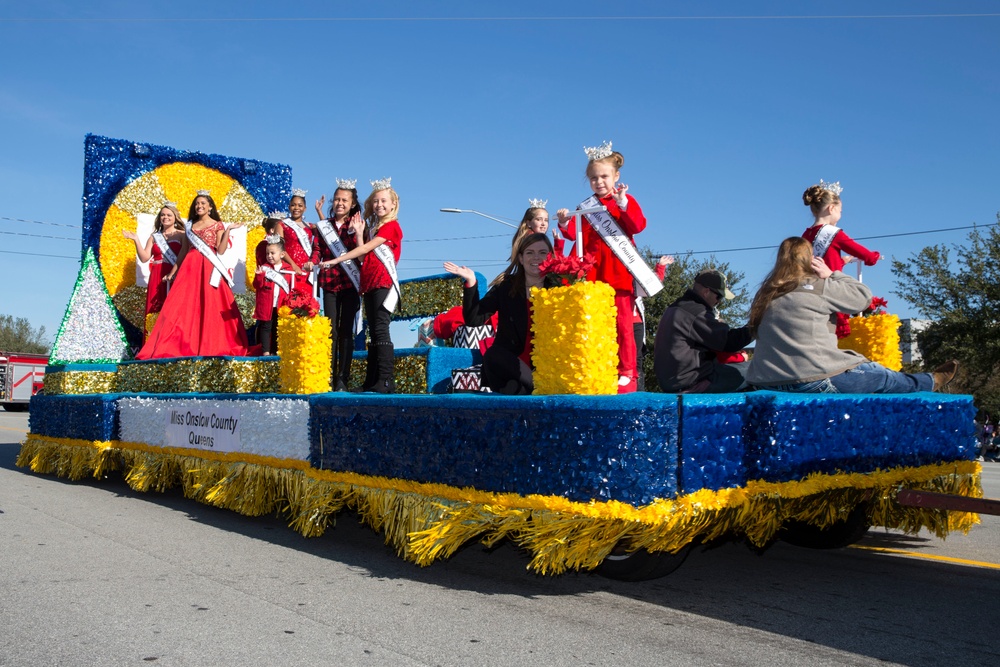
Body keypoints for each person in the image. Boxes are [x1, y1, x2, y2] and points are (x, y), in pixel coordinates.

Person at [746, 237, 957, 393]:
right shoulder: (818, 286)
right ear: (809, 260)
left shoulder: (765, 294)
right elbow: (863, 298)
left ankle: (926, 380)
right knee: (880, 374)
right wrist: (832, 274)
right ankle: (929, 381)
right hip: (811, 379)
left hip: (766, 381)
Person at [557, 141, 648, 393]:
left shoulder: (624, 200)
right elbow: (576, 237)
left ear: (616, 176)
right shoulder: (585, 207)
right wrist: (565, 223)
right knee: (595, 323)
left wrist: (623, 204)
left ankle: (627, 372)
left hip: (618, 271)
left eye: (604, 176)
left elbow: (638, 226)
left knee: (622, 323)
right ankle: (601, 367)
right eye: (593, 178)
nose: (599, 182)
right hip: (593, 273)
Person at [136, 191, 255, 359]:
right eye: (197, 204)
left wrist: (227, 229)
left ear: (210, 207)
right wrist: (172, 272)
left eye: (203, 204)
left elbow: (220, 250)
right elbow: (184, 251)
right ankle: (181, 344)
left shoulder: (217, 225)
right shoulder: (189, 225)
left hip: (208, 267)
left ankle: (211, 344)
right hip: (189, 268)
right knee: (182, 307)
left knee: (211, 305)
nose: (199, 206)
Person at [443, 232, 553, 395]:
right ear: (521, 259)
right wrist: (471, 282)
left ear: (551, 257)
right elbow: (474, 319)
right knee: (493, 354)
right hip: (511, 368)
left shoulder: (560, 288)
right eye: (530, 253)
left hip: (546, 366)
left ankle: (535, 387)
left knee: (517, 391)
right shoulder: (506, 286)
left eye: (542, 253)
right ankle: (537, 386)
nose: (536, 257)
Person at [320, 178, 402, 393]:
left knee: (381, 330)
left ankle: (386, 380)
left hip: (384, 282)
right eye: (376, 201)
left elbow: (364, 251)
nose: (379, 205)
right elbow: (364, 258)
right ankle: (372, 381)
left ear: (393, 204)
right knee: (373, 332)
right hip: (370, 282)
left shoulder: (392, 226)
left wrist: (336, 260)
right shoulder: (375, 228)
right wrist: (358, 234)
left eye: (384, 201)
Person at [802, 180, 882, 339]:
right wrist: (875, 256)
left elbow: (817, 262)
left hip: (809, 294)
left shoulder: (805, 235)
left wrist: (841, 262)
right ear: (831, 208)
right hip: (829, 292)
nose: (840, 215)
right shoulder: (834, 234)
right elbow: (866, 256)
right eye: (841, 211)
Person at [652, 270, 753, 393]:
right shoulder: (696, 312)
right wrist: (756, 325)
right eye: (719, 296)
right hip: (692, 383)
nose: (719, 302)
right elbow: (729, 342)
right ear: (706, 292)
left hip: (674, 382)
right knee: (757, 369)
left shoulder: (677, 307)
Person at [313, 180, 364, 391]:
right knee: (330, 330)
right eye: (337, 199)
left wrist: (357, 233)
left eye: (344, 200)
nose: (339, 203)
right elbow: (317, 249)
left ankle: (343, 378)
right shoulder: (324, 226)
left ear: (352, 204)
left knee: (345, 331)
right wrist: (313, 260)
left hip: (350, 284)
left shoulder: (358, 224)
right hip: (330, 283)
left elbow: (362, 253)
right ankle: (329, 377)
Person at [122, 202, 185, 338]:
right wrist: (136, 239)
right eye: (163, 215)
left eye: (169, 215)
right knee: (155, 310)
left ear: (175, 217)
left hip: (175, 275)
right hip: (157, 275)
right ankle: (153, 343)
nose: (165, 217)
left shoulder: (182, 235)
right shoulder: (154, 236)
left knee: (174, 309)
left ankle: (174, 342)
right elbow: (145, 258)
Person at [251, 236, 296, 355]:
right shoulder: (264, 268)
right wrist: (259, 276)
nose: (269, 256)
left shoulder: (288, 269)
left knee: (278, 327)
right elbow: (257, 285)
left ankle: (276, 352)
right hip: (266, 304)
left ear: (282, 254)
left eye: (272, 253)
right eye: (267, 253)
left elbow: (292, 288)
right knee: (266, 327)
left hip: (281, 305)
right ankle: (266, 352)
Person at [279, 188, 319, 296]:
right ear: (289, 207)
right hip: (289, 268)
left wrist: (319, 211)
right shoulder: (282, 224)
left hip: (306, 270)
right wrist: (293, 265)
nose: (296, 208)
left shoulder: (310, 226)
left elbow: (326, 230)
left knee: (306, 303)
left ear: (305, 208)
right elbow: (279, 248)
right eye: (293, 205)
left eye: (300, 205)